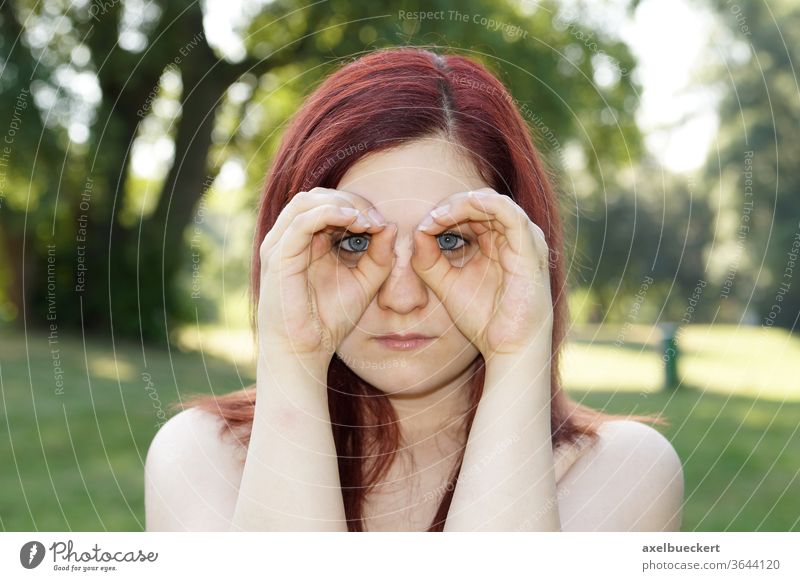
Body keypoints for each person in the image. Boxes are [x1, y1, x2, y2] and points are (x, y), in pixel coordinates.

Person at [144, 47, 684, 532]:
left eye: (451, 241)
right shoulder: (202, 458)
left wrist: (519, 350)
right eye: (353, 242)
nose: (402, 298)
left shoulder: (624, 473)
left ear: (529, 251)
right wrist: (293, 354)